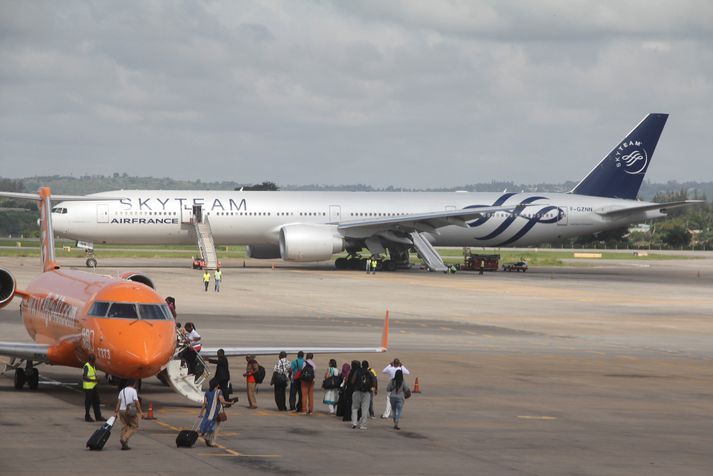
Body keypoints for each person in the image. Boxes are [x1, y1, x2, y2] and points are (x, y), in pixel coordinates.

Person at [199, 381, 232, 447]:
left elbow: (205, 403)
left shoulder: (207, 392)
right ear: (216, 385)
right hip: (216, 412)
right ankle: (212, 442)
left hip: (208, 412)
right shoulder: (219, 391)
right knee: (216, 427)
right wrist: (230, 403)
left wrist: (201, 413)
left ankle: (207, 437)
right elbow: (222, 401)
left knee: (210, 425)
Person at [114, 379, 142, 450]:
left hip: (121, 411)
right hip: (129, 411)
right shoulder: (133, 391)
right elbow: (136, 402)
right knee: (134, 426)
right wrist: (140, 412)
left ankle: (124, 445)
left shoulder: (122, 391)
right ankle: (124, 438)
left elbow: (118, 402)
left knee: (125, 426)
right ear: (134, 384)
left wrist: (116, 412)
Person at [351, 360, 375, 430]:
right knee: (365, 409)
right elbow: (373, 382)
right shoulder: (370, 372)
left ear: (362, 365)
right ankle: (363, 425)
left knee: (355, 408)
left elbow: (352, 381)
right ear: (368, 366)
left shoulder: (357, 371)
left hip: (357, 391)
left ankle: (354, 423)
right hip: (367, 393)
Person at [82, 354, 106, 422]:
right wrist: (94, 380)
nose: (94, 362)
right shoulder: (87, 366)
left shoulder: (93, 366)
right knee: (88, 402)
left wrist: (96, 379)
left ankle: (98, 416)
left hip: (94, 386)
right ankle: (87, 416)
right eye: (93, 360)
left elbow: (93, 375)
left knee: (97, 401)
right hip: (88, 387)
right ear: (90, 360)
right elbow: (84, 377)